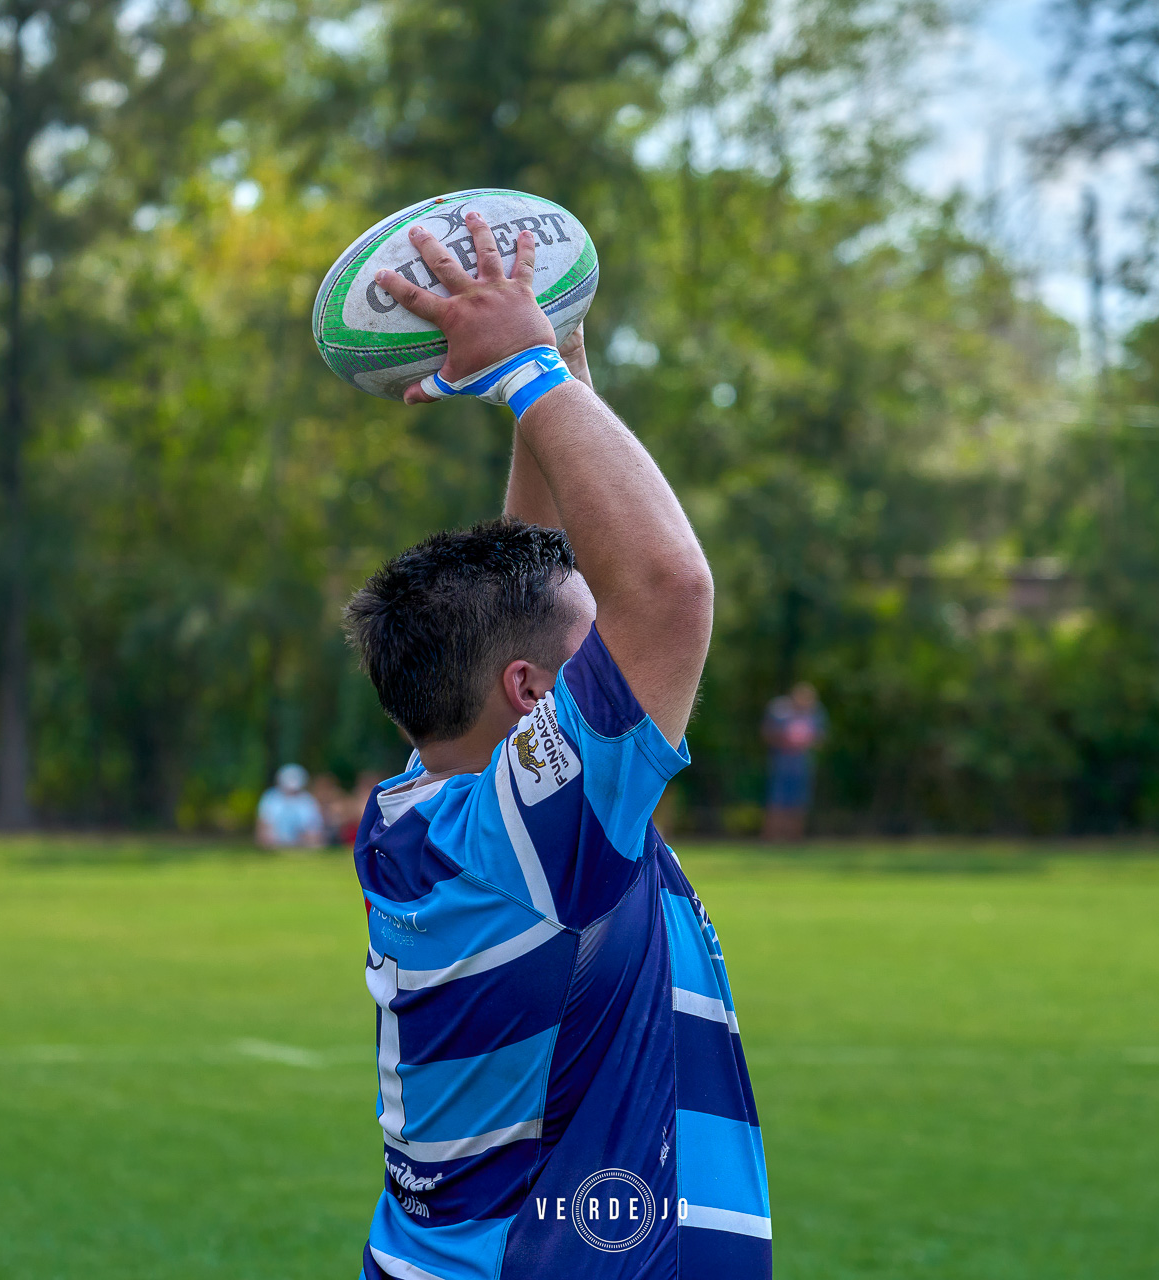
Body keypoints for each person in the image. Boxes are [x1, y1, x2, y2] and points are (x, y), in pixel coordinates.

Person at [339, 214, 767, 1279]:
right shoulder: (530, 838)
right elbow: (668, 590)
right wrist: (527, 368)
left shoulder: (430, 805)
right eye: (594, 643)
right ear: (531, 694)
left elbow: (534, 570)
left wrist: (556, 363)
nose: (612, 656)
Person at [761, 681, 827, 840]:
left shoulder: (816, 713)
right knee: (776, 801)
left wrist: (807, 741)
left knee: (799, 802)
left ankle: (794, 839)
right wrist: (784, 739)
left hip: (802, 764)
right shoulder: (779, 710)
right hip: (781, 763)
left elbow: (821, 739)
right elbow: (766, 733)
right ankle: (772, 837)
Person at [255, 763, 325, 850]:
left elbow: (314, 830)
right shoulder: (271, 798)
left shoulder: (308, 801)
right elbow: (262, 827)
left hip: (301, 845)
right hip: (275, 845)